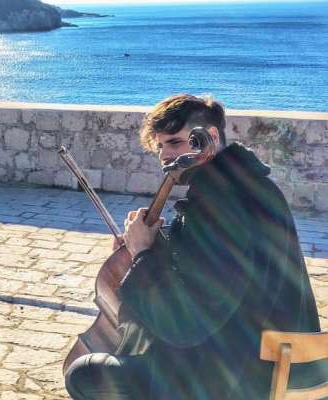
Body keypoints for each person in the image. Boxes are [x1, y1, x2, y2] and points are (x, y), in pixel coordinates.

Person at [65, 94, 321, 399]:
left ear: (209, 137)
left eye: (174, 142)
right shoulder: (252, 184)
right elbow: (211, 266)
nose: (164, 156)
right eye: (160, 146)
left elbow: (186, 324)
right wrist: (144, 247)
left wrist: (144, 255)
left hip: (238, 376)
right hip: (266, 357)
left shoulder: (219, 201)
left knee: (85, 374)